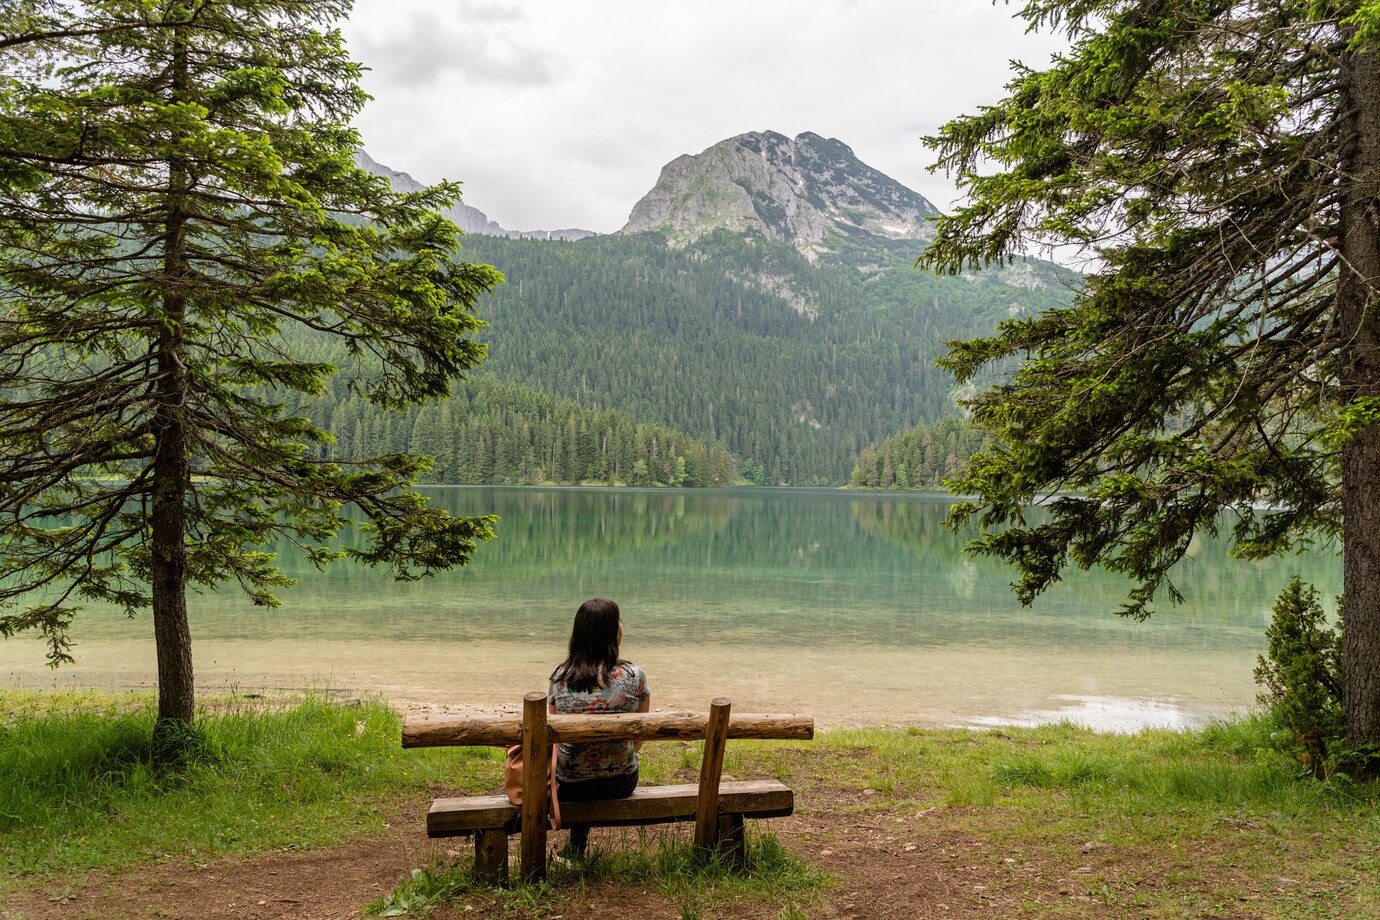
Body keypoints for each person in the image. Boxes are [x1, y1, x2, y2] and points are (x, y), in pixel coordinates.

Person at [548, 597, 651, 857]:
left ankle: (575, 849)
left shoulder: (560, 677)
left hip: (569, 784)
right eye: (620, 621)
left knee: (579, 762)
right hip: (621, 781)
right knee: (612, 760)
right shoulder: (635, 676)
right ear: (613, 631)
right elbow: (639, 738)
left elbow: (556, 740)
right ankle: (575, 848)